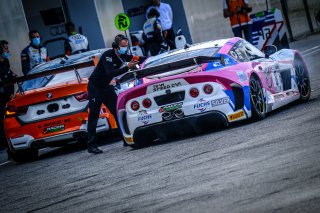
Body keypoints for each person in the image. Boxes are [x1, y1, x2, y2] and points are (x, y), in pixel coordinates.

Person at [87, 34, 147, 154]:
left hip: (107, 87)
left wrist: (152, 58)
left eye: (126, 46)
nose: (125, 48)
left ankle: (125, 139)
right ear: (116, 46)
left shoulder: (123, 56)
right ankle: (91, 145)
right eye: (122, 46)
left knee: (117, 111)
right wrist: (127, 67)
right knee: (93, 115)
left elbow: (138, 58)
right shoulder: (108, 56)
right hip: (95, 87)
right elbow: (110, 73)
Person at [0, 40, 16, 150]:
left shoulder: (6, 61)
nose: (8, 51)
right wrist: (7, 94)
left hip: (9, 95)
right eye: (5, 48)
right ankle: (4, 144)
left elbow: (9, 74)